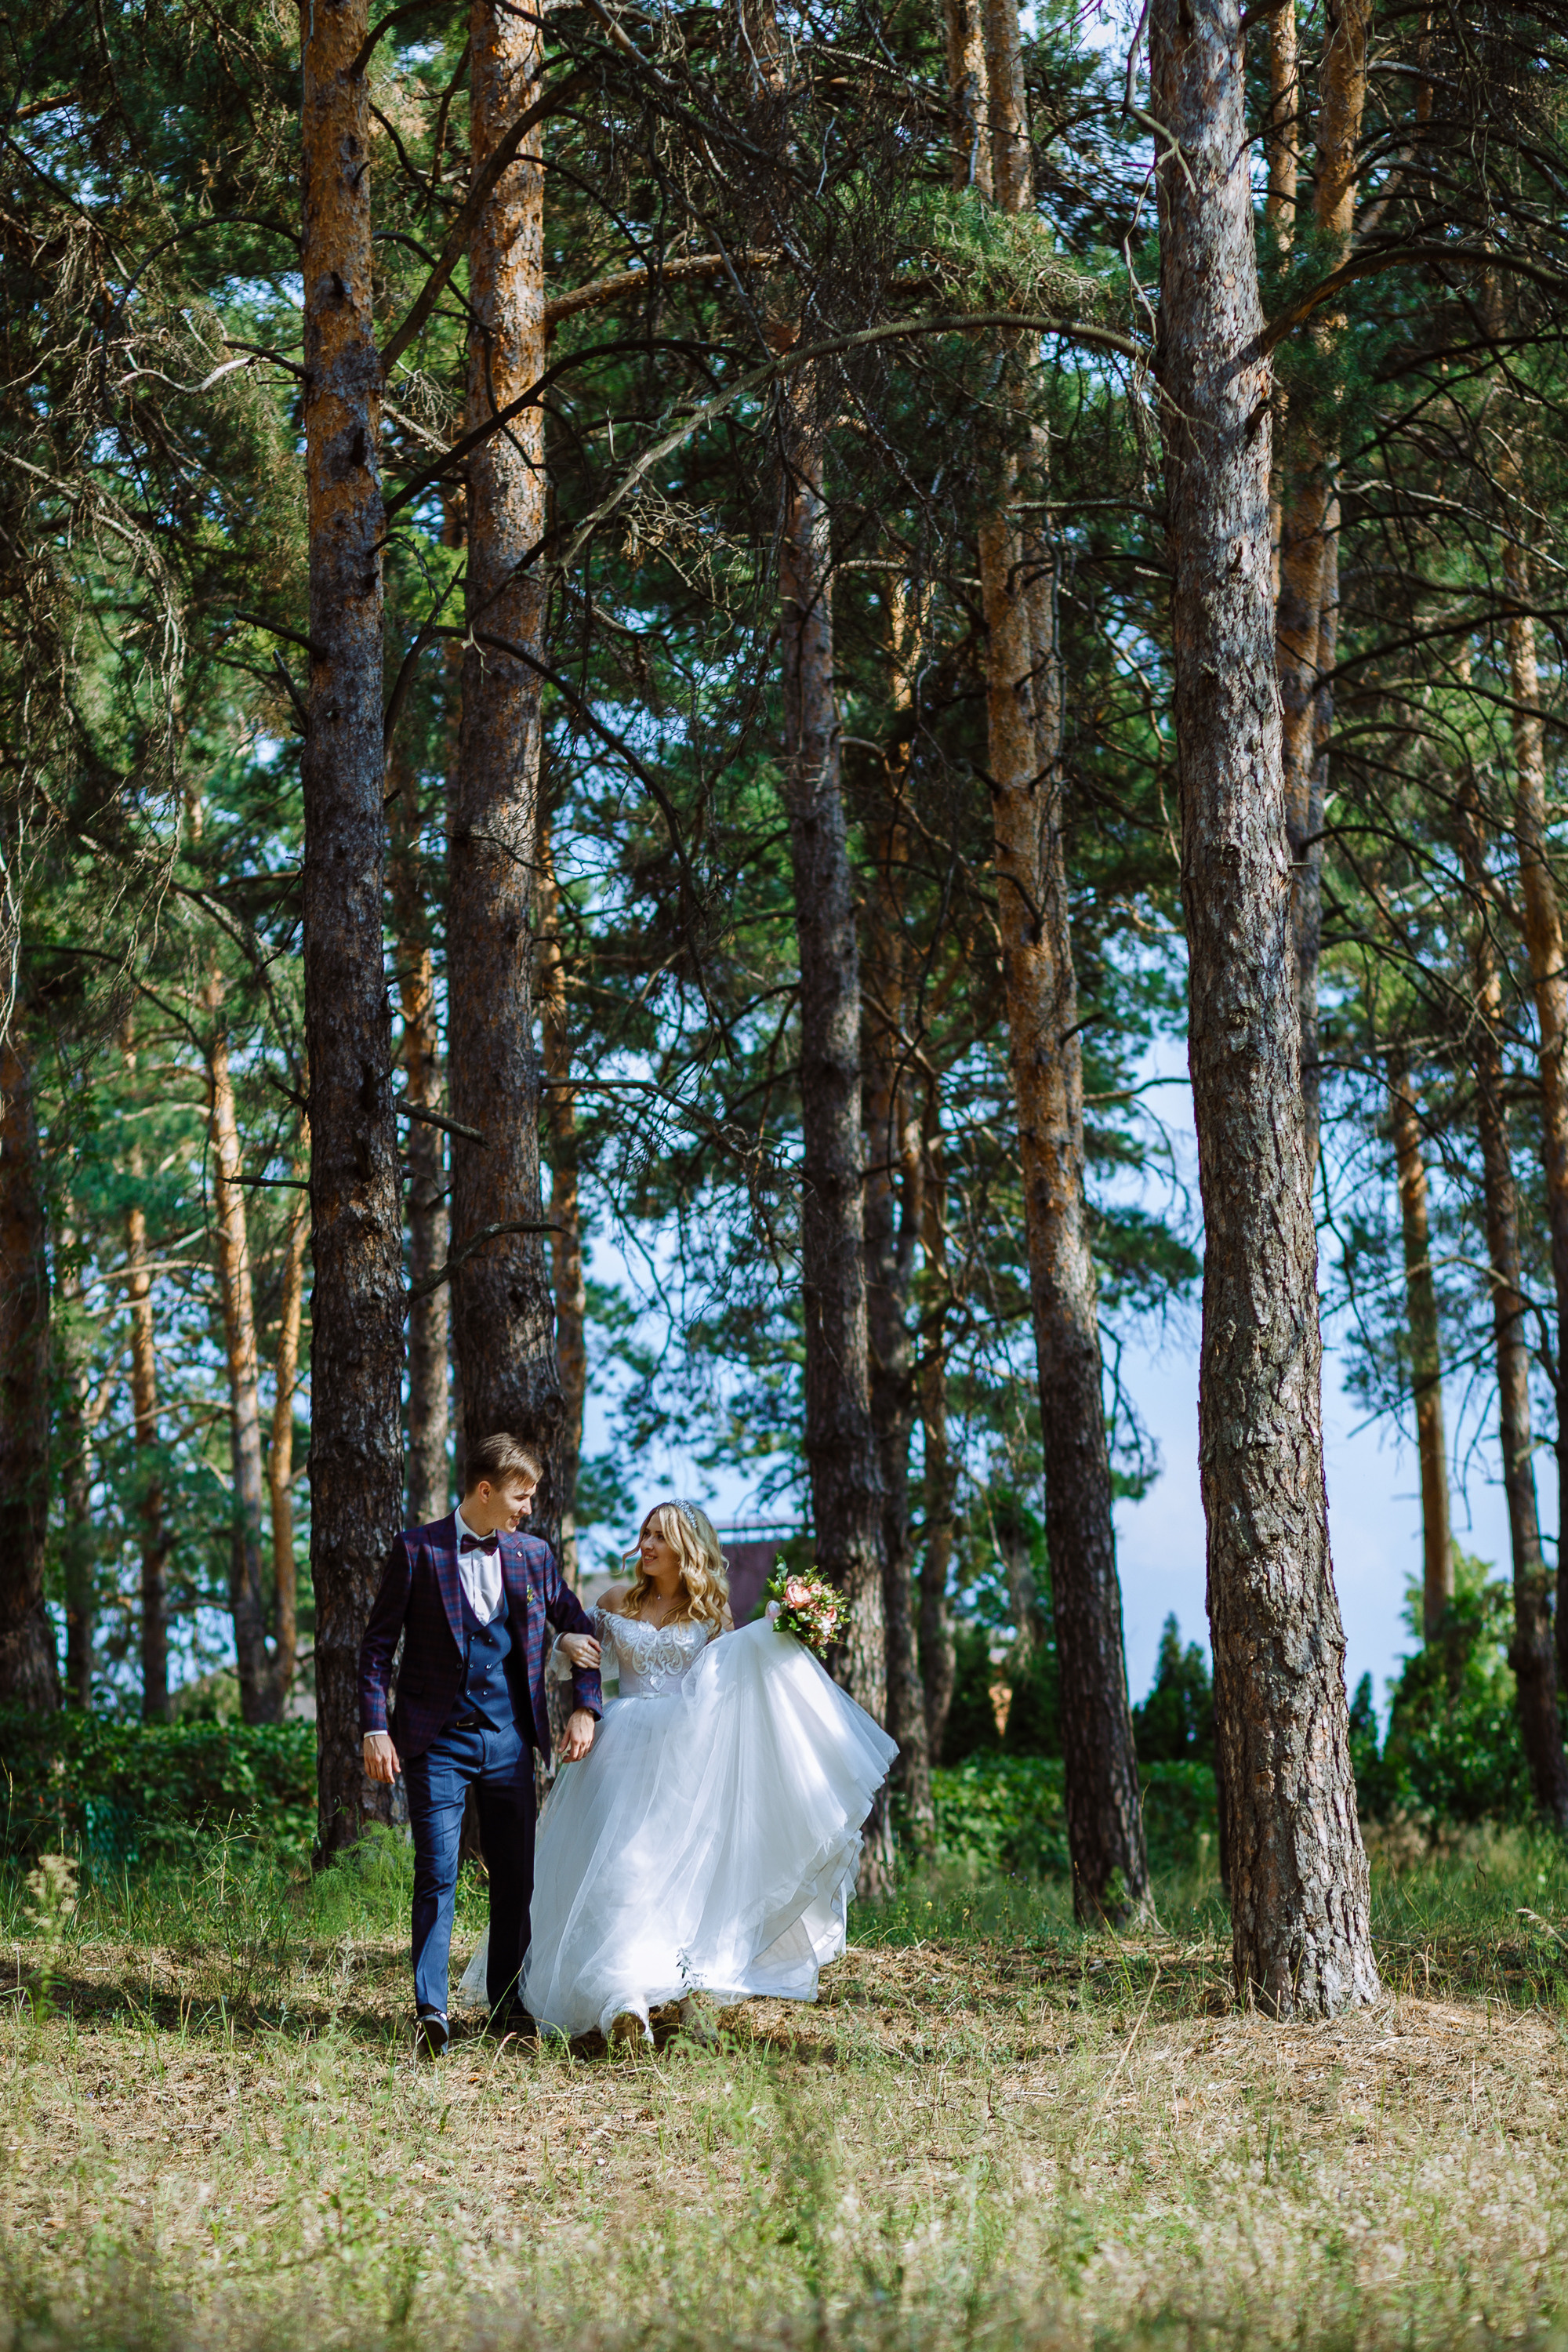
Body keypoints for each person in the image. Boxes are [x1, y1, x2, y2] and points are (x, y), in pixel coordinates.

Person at [459, 1500, 896, 2044]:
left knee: (680, 1873)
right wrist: (580, 1702)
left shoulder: (711, 1615)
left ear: (686, 1549)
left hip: (685, 1750)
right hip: (620, 1747)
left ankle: (681, 1993)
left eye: (660, 1537)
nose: (646, 1544)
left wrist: (779, 1629)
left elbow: (732, 1678)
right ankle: (624, 1999)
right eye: (644, 1533)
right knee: (623, 1868)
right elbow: (583, 1662)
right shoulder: (617, 1599)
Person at [359, 1432, 602, 2056]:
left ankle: (507, 2007)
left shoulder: (533, 1557)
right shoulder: (418, 1550)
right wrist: (374, 1725)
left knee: (516, 1878)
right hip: (434, 1741)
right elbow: (377, 1649)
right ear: (485, 1490)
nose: (528, 1508)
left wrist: (585, 1706)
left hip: (510, 1742)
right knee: (436, 1873)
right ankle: (431, 2011)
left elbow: (579, 1628)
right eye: (521, 1496)